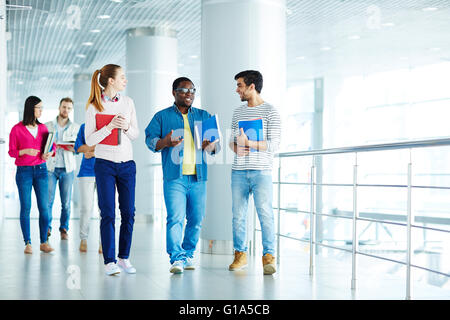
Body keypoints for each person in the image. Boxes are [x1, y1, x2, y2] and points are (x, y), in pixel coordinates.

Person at [145, 77, 220, 274]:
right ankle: (176, 258)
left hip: (198, 177)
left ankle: (187, 254)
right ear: (174, 92)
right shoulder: (162, 116)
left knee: (196, 219)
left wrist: (210, 146)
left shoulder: (204, 116)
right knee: (175, 218)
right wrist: (165, 142)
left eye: (192, 90)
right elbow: (150, 140)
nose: (189, 94)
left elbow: (215, 147)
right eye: (184, 90)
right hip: (174, 177)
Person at [85, 64, 139, 276]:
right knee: (107, 212)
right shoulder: (93, 106)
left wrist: (124, 127)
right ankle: (109, 261)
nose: (125, 80)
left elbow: (135, 134)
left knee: (128, 213)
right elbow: (90, 139)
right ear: (110, 81)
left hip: (127, 164)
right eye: (122, 77)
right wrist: (108, 127)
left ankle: (124, 257)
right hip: (104, 164)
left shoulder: (128, 102)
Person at [228, 70, 281, 275]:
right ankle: (240, 255)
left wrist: (249, 143)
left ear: (252, 87)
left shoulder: (270, 112)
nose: (237, 90)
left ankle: (269, 257)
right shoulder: (238, 112)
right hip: (238, 172)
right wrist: (237, 147)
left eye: (240, 85)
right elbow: (233, 142)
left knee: (265, 215)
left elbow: (274, 145)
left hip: (262, 172)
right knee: (238, 216)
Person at [8, 96, 55, 254]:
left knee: (44, 208)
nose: (41, 110)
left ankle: (44, 241)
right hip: (24, 172)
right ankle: (28, 242)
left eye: (42, 107)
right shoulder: (16, 129)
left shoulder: (43, 128)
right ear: (31, 108)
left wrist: (49, 153)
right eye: (39, 107)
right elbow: (11, 152)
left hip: (41, 171)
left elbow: (52, 146)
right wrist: (25, 151)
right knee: (26, 207)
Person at [45, 97, 80, 240]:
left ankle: (64, 228)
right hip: (50, 168)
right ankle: (46, 228)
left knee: (66, 202)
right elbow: (43, 145)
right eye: (64, 107)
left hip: (67, 168)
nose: (66, 110)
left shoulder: (75, 127)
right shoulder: (47, 125)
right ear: (59, 107)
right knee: (48, 201)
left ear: (71, 110)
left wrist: (72, 148)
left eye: (69, 108)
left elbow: (78, 149)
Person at [74, 123, 102, 254]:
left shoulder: (109, 126)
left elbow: (113, 148)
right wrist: (97, 149)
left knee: (105, 209)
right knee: (86, 208)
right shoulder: (85, 126)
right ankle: (83, 239)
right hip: (86, 173)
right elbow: (78, 147)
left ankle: (104, 242)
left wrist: (91, 151)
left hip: (106, 172)